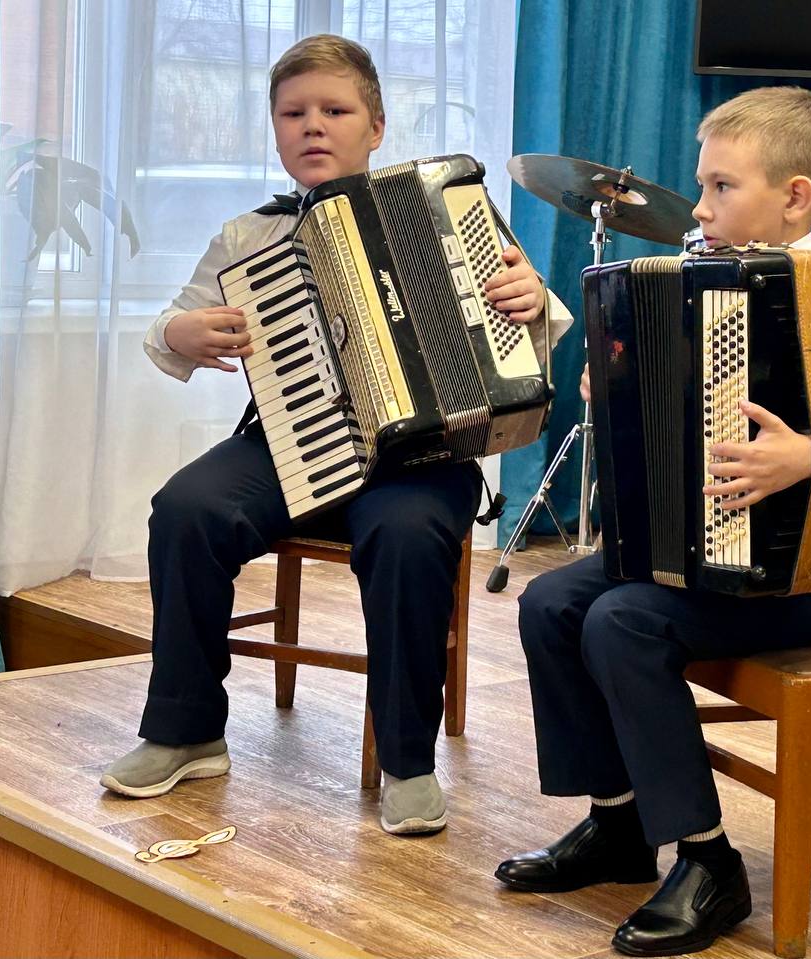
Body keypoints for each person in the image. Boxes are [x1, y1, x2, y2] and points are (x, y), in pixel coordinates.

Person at [494, 86, 811, 956]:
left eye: (722, 186)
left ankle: (706, 860)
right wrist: (613, 391)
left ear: (794, 197)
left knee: (623, 619)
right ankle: (620, 824)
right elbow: (660, 419)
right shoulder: (697, 277)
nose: (697, 206)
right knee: (550, 605)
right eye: (703, 185)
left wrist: (809, 455)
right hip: (705, 544)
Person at [100, 35, 571, 836]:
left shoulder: (450, 209)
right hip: (291, 442)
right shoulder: (250, 235)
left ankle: (408, 760)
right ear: (275, 130)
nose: (312, 126)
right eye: (293, 113)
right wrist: (185, 331)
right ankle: (185, 728)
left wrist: (531, 295)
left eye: (335, 110)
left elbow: (541, 326)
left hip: (421, 459)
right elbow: (165, 327)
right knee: (185, 508)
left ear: (376, 126)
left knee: (409, 536)